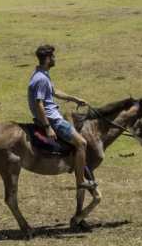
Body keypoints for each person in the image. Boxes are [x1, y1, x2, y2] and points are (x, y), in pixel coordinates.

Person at [28, 44, 97, 191]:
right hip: (54, 121)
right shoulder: (41, 79)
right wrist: (48, 127)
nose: (55, 58)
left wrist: (75, 99)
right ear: (47, 59)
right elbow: (39, 103)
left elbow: (54, 92)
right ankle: (81, 180)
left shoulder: (41, 74)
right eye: (53, 56)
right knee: (82, 143)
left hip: (52, 117)